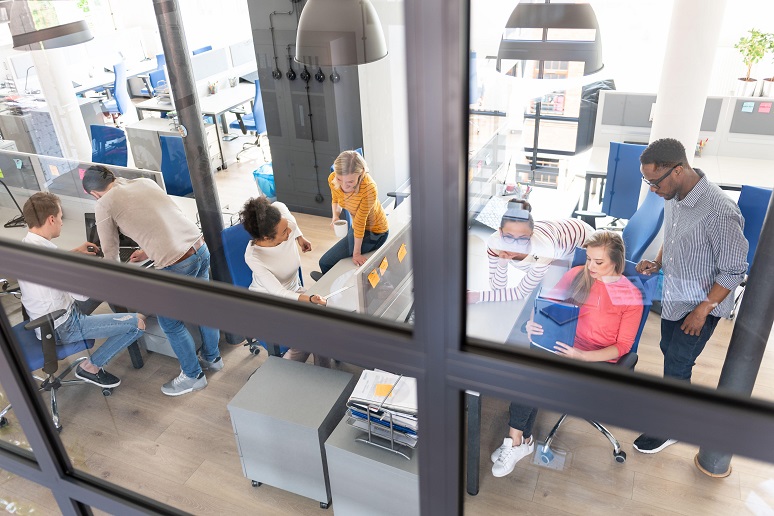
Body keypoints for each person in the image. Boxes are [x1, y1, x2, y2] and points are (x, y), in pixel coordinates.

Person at [491, 231, 643, 477]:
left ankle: (518, 441)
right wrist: (534, 323)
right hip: (565, 345)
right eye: (589, 259)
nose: (591, 266)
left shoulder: (630, 296)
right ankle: (518, 440)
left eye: (599, 262)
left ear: (617, 261)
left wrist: (582, 356)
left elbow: (623, 346)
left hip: (596, 359)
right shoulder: (577, 275)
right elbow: (545, 303)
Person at [632, 138, 748, 454]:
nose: (652, 189)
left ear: (678, 170)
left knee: (678, 363)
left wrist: (702, 310)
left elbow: (734, 270)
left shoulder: (720, 211)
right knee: (669, 352)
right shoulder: (673, 195)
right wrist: (658, 263)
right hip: (675, 296)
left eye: (655, 182)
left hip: (701, 307)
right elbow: (672, 237)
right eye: (647, 182)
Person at [81, 165, 222, 397]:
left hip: (176, 262)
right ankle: (213, 359)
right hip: (199, 247)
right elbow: (169, 218)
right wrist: (148, 250)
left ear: (94, 193)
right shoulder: (144, 182)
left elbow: (110, 250)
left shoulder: (104, 203)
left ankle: (193, 377)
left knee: (171, 323)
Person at [17, 193, 146, 389]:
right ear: (51, 219)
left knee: (108, 290)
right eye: (60, 217)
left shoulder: (26, 245)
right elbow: (82, 294)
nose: (62, 222)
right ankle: (90, 367)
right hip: (63, 327)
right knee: (138, 323)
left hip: (44, 320)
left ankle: (115, 324)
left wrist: (76, 253)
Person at [240, 197, 331, 367]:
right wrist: (310, 299)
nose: (289, 231)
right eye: (284, 232)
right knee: (308, 335)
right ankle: (287, 370)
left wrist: (300, 237)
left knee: (322, 324)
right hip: (270, 302)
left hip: (294, 290)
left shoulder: (283, 221)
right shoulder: (254, 256)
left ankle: (323, 370)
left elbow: (281, 207)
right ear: (267, 237)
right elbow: (278, 292)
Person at [468, 199, 594, 303]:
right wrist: (502, 265)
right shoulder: (494, 243)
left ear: (531, 235)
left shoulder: (543, 251)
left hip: (583, 240)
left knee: (571, 294)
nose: (515, 246)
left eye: (522, 239)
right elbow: (497, 289)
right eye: (509, 237)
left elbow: (520, 292)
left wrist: (478, 296)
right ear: (500, 232)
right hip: (557, 238)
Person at [314, 151, 389, 277]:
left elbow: (360, 222)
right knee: (331, 260)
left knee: (325, 262)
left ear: (361, 173)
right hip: (357, 228)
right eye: (340, 179)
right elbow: (336, 199)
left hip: (375, 232)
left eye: (350, 182)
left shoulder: (369, 188)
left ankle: (337, 287)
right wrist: (335, 216)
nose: (344, 186)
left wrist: (356, 254)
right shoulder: (332, 178)